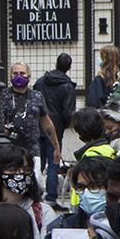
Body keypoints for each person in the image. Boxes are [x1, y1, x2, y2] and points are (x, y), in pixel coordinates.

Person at [0, 62, 60, 171]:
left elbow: (47, 124)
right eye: (15, 73)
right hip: (9, 150)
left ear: (29, 76)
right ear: (10, 76)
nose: (19, 76)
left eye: (22, 73)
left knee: (35, 181)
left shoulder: (37, 96)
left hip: (32, 150)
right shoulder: (3, 96)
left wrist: (56, 146)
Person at [35, 54, 79, 198]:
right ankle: (52, 194)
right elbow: (68, 111)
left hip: (37, 124)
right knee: (54, 160)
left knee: (37, 160)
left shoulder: (41, 82)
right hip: (56, 127)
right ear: (70, 67)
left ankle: (35, 190)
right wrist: (66, 124)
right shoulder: (68, 87)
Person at [87, 46, 120, 110]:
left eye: (101, 57)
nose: (98, 59)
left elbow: (93, 102)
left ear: (105, 60)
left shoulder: (100, 79)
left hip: (105, 117)